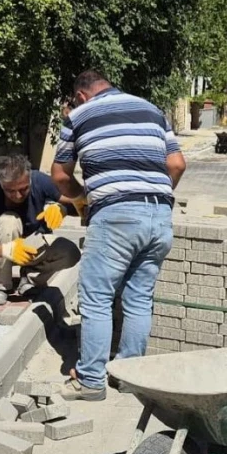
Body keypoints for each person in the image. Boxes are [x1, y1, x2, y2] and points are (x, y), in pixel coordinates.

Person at [51, 70, 187, 401]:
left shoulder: (78, 115)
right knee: (139, 297)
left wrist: (83, 199)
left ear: (81, 95)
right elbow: (178, 164)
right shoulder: (152, 110)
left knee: (96, 297)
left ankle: (91, 380)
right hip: (159, 214)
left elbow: (59, 176)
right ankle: (130, 377)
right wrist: (152, 198)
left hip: (116, 214)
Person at [0, 155, 82, 305]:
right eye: (10, 191)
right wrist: (6, 250)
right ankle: (1, 285)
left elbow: (80, 203)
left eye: (24, 189)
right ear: (1, 184)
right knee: (8, 221)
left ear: (30, 178)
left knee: (70, 253)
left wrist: (62, 208)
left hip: (33, 244)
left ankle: (30, 278)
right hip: (3, 245)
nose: (18, 195)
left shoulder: (39, 180)